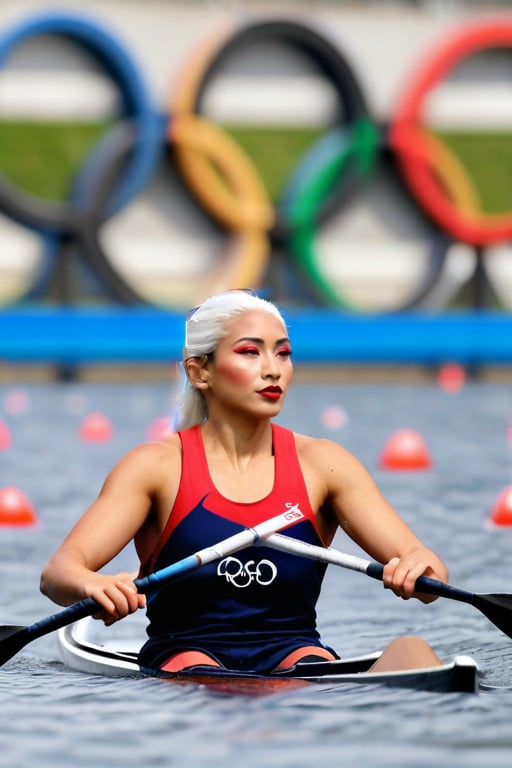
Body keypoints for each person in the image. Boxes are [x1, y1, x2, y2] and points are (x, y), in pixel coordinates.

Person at [40, 288, 448, 675]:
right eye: (250, 352)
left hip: (298, 656)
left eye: (283, 354)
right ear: (200, 371)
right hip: (185, 663)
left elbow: (432, 577)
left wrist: (417, 568)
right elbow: (59, 573)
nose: (273, 370)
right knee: (203, 675)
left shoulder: (325, 465)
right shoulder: (155, 467)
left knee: (412, 650)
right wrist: (93, 584)